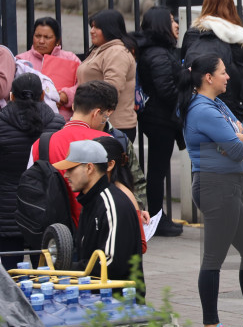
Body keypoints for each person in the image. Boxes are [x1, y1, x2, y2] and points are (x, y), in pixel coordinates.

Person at [177, 55, 243, 327]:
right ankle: (211, 325)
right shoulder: (203, 110)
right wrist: (237, 139)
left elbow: (242, 131)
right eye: (223, 72)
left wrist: (238, 137)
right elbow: (237, 148)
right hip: (216, 187)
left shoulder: (216, 103)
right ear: (208, 78)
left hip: (228, 185)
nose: (228, 76)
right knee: (214, 258)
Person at [29, 80, 119, 227]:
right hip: (94, 229)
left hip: (53, 234)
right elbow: (115, 188)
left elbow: (31, 186)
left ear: (72, 106)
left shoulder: (40, 143)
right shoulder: (105, 142)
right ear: (97, 113)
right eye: (105, 117)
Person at [55, 139, 142, 282]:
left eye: (71, 169)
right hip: (94, 295)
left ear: (89, 168)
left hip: (116, 300)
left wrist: (67, 269)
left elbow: (112, 264)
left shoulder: (112, 204)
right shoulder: (91, 200)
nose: (66, 175)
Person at [0, 74, 65, 267]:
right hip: (44, 208)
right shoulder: (57, 124)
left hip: (7, 211)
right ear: (43, 95)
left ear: (11, 96)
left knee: (10, 277)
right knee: (46, 277)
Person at [135, 6, 184, 237]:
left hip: (156, 118)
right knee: (157, 170)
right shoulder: (158, 54)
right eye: (172, 20)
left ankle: (156, 215)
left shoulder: (156, 51)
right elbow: (166, 90)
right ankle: (155, 217)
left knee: (157, 169)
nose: (176, 25)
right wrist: (186, 93)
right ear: (162, 25)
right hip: (160, 119)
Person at [182, 0, 243, 121]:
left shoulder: (193, 33)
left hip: (199, 101)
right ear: (230, 7)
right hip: (235, 105)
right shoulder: (239, 35)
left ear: (206, 6)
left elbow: (184, 62)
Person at [76, 9, 137, 142]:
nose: (92, 31)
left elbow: (112, 89)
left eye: (97, 27)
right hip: (96, 124)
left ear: (110, 29)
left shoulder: (116, 52)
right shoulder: (101, 49)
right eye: (91, 26)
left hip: (113, 127)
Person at [16, 16, 82, 120]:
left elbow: (83, 83)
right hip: (30, 119)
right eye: (37, 36)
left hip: (64, 119)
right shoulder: (21, 60)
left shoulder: (71, 58)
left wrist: (66, 95)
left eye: (47, 37)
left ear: (58, 40)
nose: (41, 41)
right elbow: (13, 91)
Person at [94, 136, 149, 257]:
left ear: (110, 165)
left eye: (94, 163)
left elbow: (141, 244)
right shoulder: (101, 190)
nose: (89, 168)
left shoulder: (122, 195)